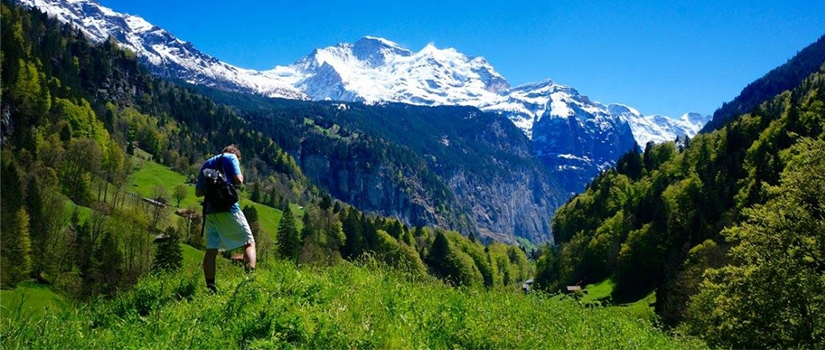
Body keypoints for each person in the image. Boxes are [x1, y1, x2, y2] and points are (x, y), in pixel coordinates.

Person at [195, 144, 256, 292]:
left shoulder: (207, 163)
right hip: (228, 209)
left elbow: (198, 192)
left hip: (209, 212)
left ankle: (210, 287)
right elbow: (238, 180)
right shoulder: (231, 157)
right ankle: (249, 282)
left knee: (211, 251)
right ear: (236, 155)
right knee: (249, 243)